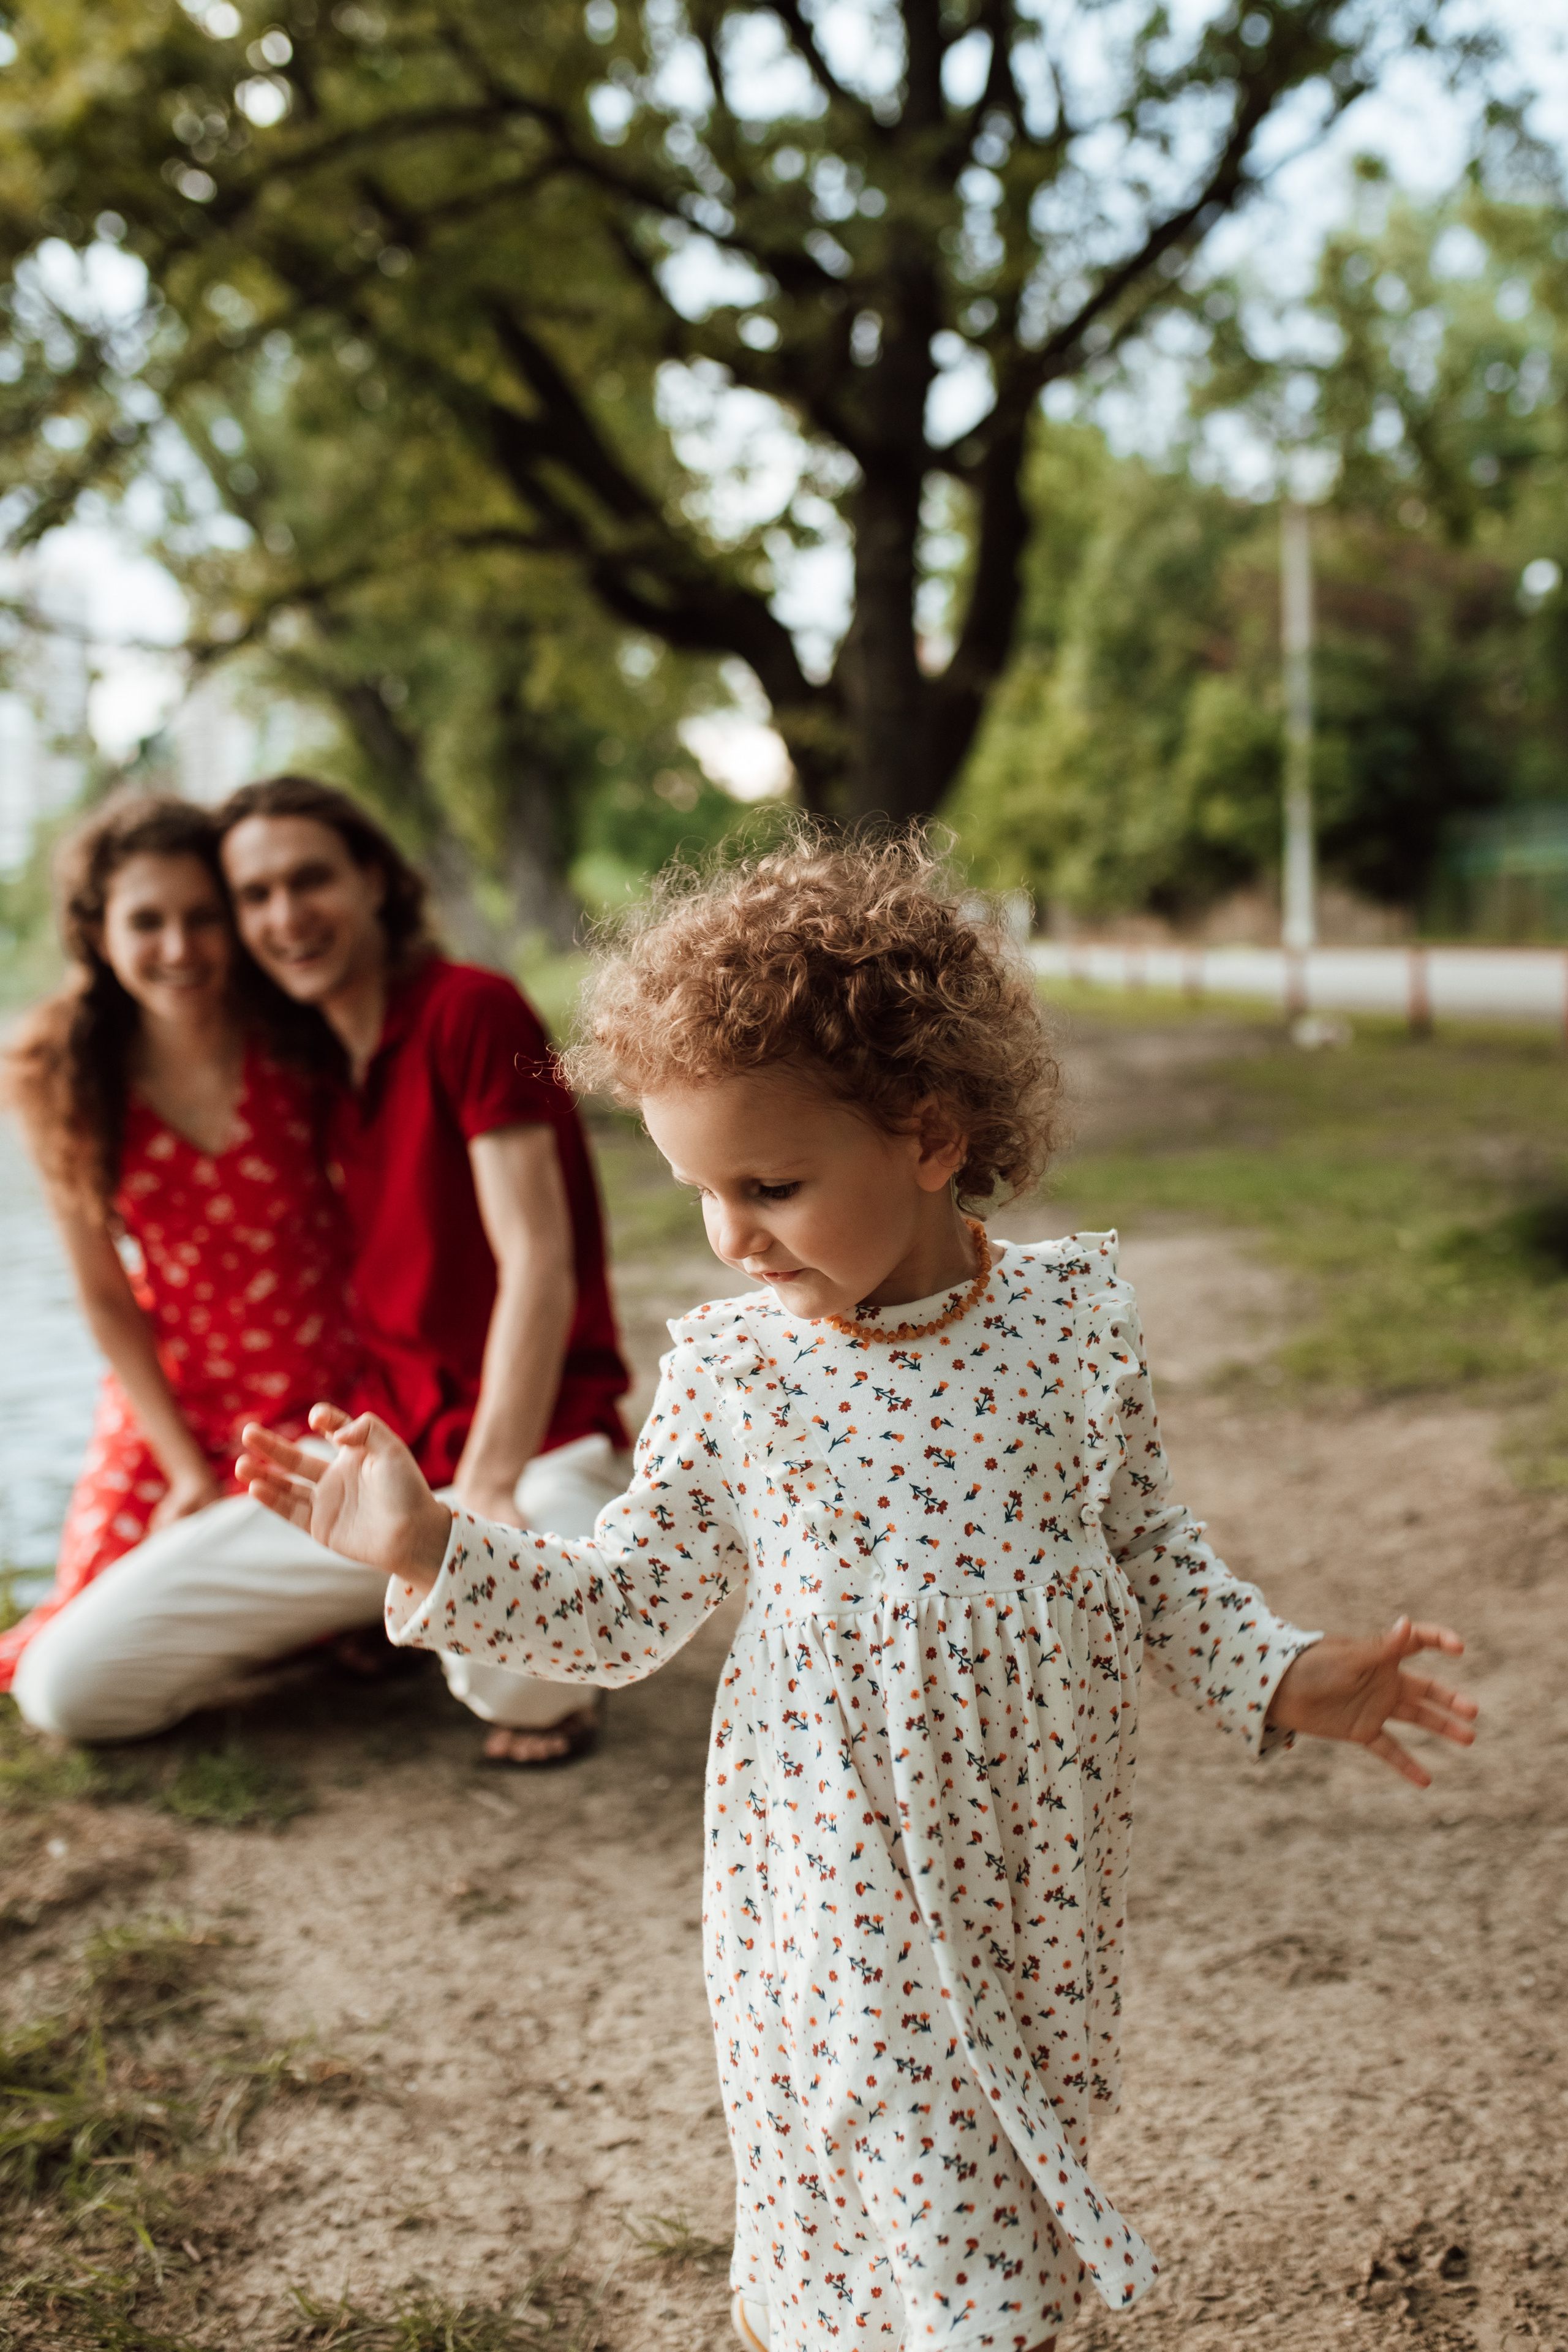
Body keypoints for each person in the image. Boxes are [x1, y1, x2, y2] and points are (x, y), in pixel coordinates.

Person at [237, 832, 1479, 2352]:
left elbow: (1148, 1549)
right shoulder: (736, 1375)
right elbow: (625, 1605)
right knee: (908, 2150)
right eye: (699, 1190)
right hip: (828, 1856)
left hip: (1035, 1851)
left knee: (1004, 2125)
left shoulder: (1072, 1324)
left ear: (931, 1134)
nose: (730, 1237)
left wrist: (1278, 1672)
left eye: (770, 1184)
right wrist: (433, 1546)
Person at [216, 775, 632, 1764]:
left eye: (310, 878)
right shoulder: (311, 1069)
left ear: (373, 881)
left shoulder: (469, 1010)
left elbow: (539, 1259)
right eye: (255, 896)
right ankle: (398, 1597)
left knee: (526, 1690)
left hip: (534, 1446)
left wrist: (488, 1485)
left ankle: (439, 1589)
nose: (286, 915)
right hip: (378, 1462)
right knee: (82, 1682)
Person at [2, 792, 364, 1707]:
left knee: (348, 1613)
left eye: (204, 917)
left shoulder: (299, 1033)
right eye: (148, 921)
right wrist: (182, 1467)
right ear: (96, 930)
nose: (180, 946)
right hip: (170, 1399)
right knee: (86, 1617)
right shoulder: (59, 1068)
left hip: (324, 1388)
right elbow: (102, 1293)